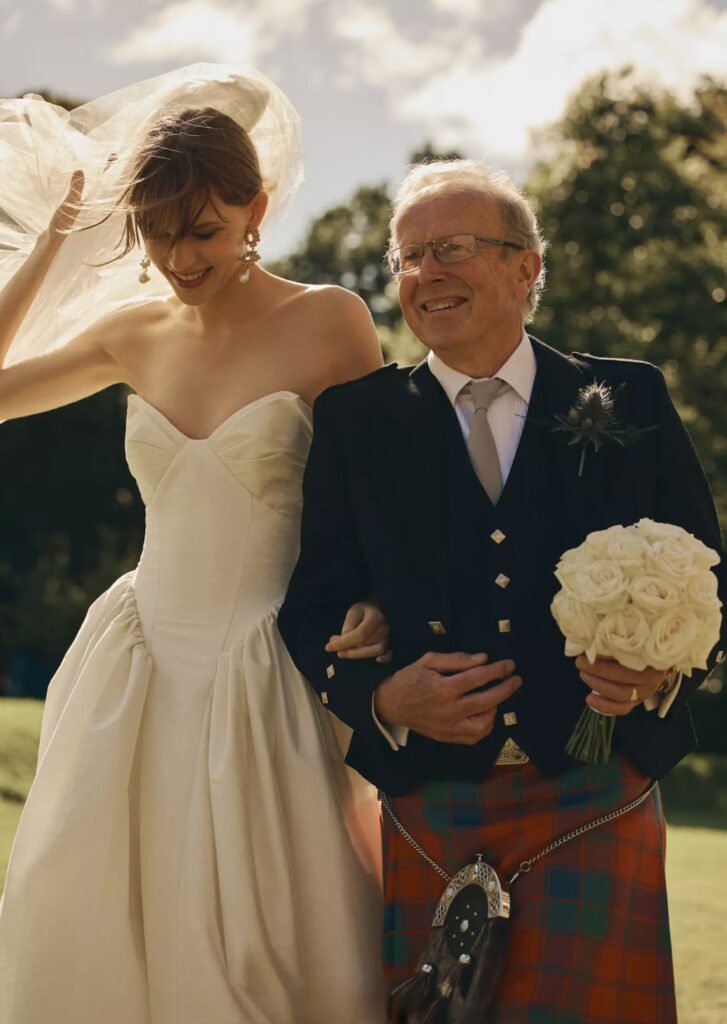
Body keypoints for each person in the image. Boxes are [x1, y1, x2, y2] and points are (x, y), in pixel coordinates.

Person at [278, 159, 727, 1023]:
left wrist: (660, 673)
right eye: (407, 258)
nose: (424, 274)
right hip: (431, 796)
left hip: (596, 789)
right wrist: (385, 697)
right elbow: (311, 602)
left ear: (526, 267)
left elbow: (707, 573)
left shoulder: (625, 397)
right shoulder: (357, 420)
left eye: (450, 248)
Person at [0, 65, 387, 1024]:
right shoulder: (131, 332)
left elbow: (383, 494)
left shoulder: (329, 319)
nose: (179, 256)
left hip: (270, 665)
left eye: (203, 230)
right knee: (99, 909)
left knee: (273, 928)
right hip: (135, 663)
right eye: (156, 232)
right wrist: (54, 240)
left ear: (255, 207)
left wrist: (378, 597)